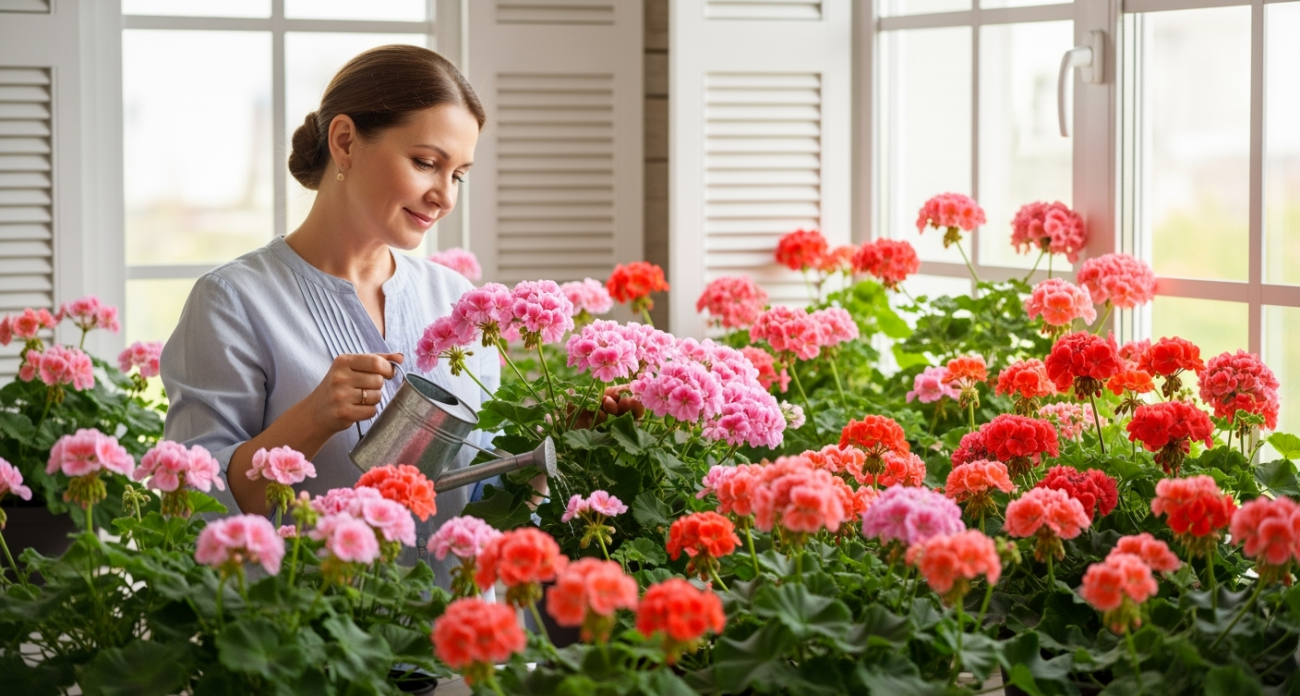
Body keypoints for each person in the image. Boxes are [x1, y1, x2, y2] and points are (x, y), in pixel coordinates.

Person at [160, 45, 498, 585]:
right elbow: (191, 510)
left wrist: (563, 447)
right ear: (344, 142)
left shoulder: (458, 302)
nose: (444, 197)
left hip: (453, 644)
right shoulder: (232, 301)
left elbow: (479, 491)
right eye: (426, 163)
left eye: (458, 174)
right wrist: (310, 420)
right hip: (308, 650)